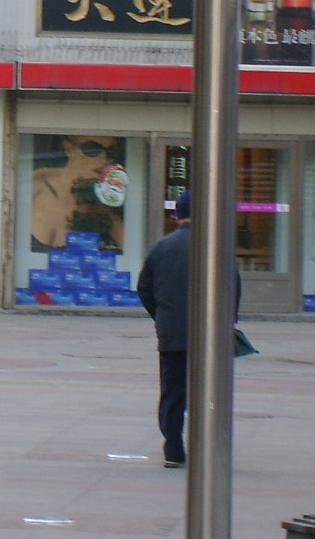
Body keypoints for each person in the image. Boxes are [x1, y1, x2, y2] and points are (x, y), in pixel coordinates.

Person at [137, 190, 193, 469]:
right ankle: (208, 444)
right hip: (210, 333)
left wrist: (161, 316)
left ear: (177, 215)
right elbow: (234, 287)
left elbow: (144, 288)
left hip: (171, 332)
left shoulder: (160, 247)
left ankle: (173, 448)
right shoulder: (215, 245)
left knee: (173, 390)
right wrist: (227, 322)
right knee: (209, 390)